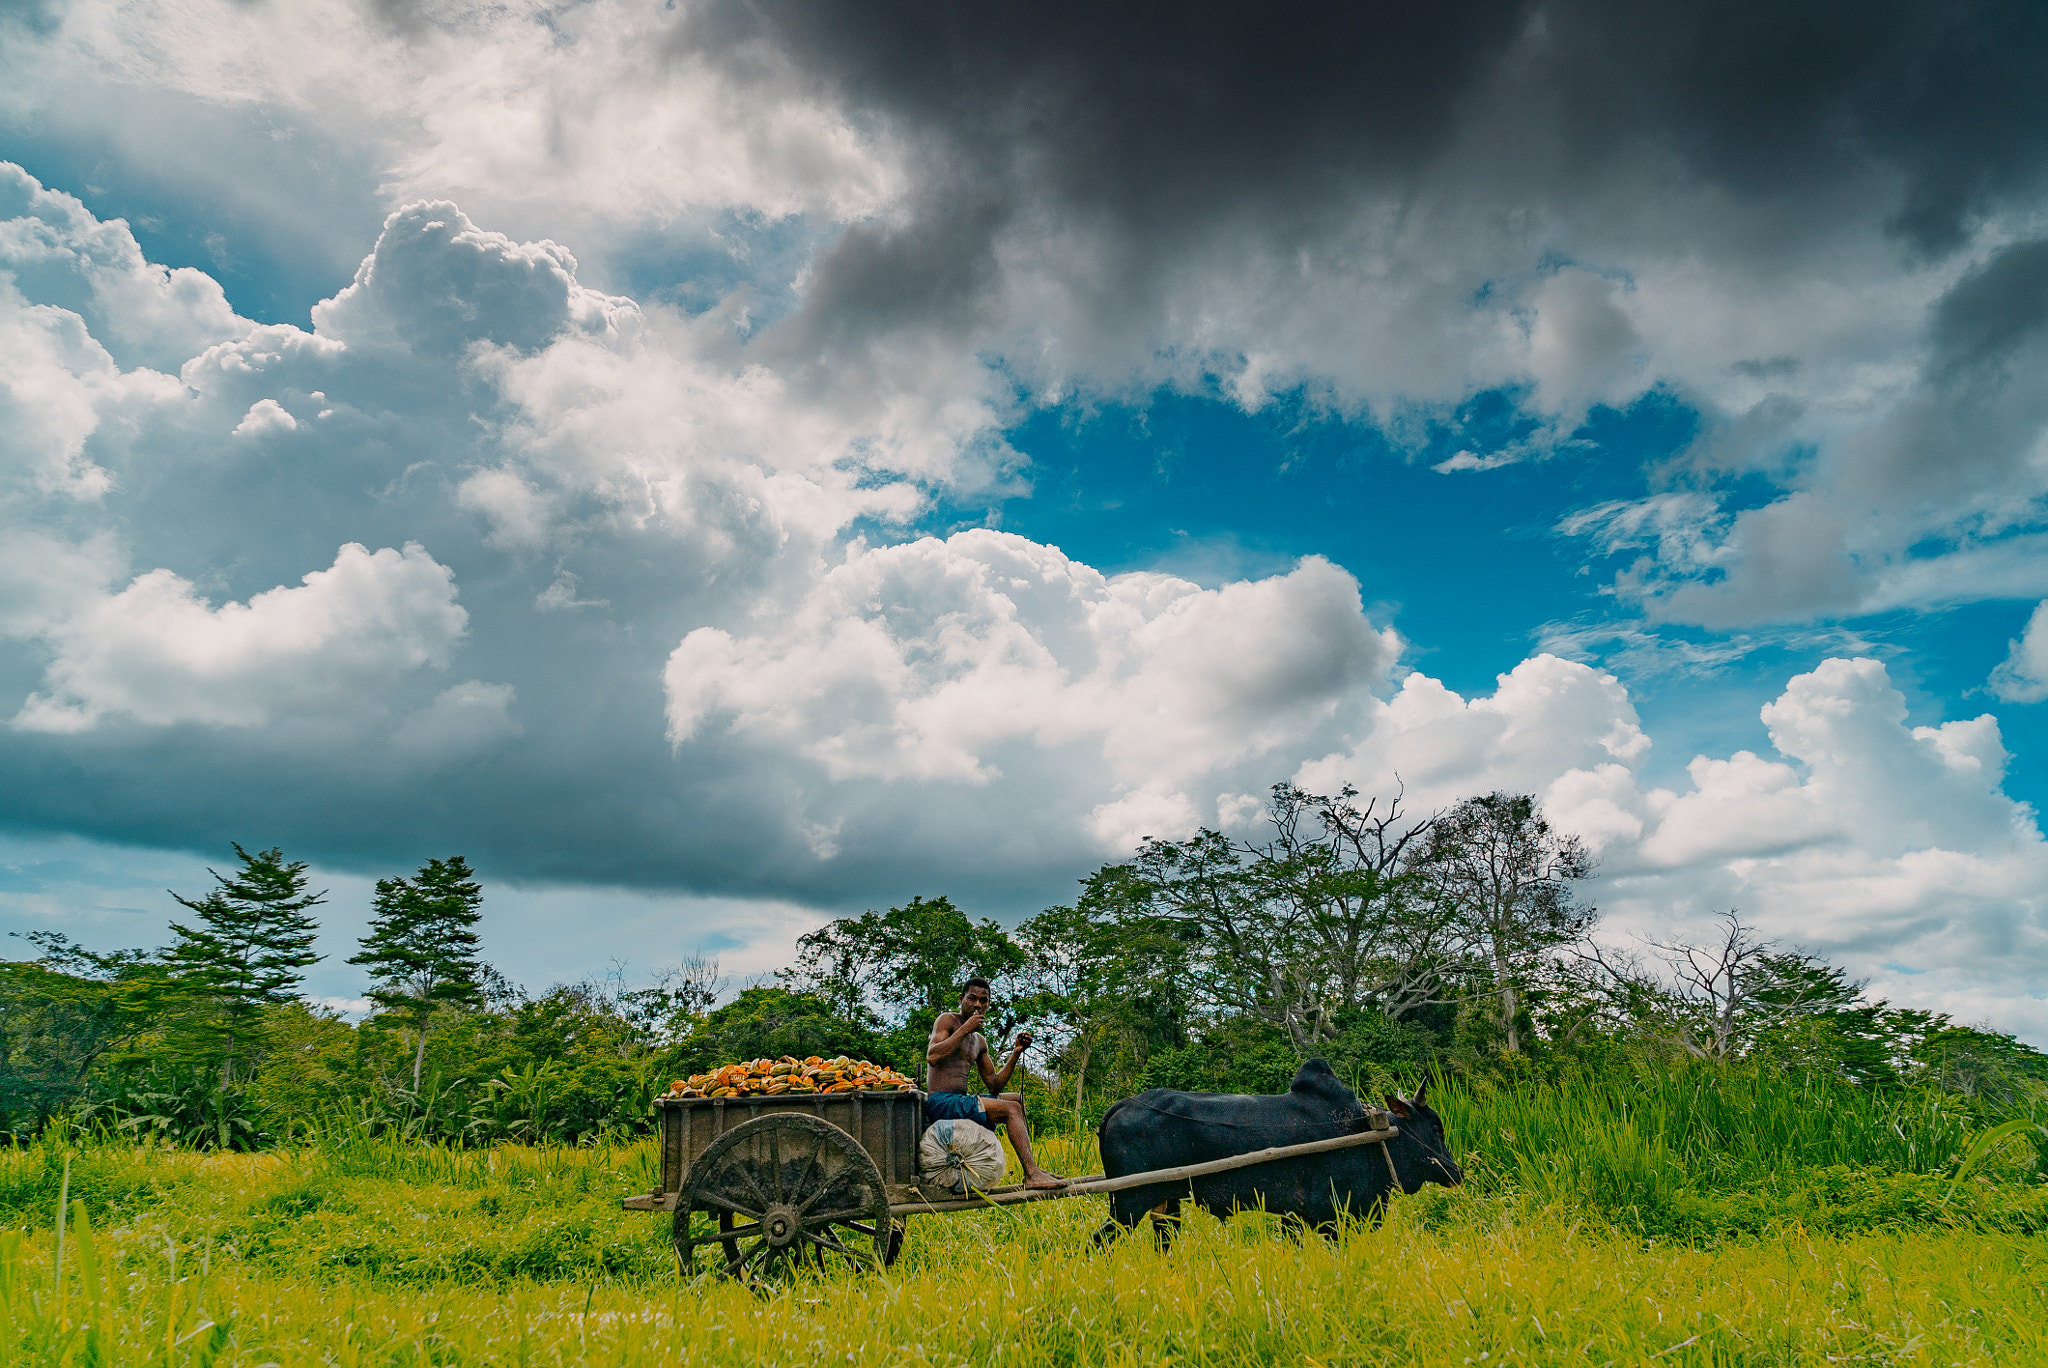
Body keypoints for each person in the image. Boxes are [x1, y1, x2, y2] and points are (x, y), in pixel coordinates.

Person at [925, 977, 1065, 1189]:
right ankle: (1032, 1175)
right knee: (1010, 1109)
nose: (977, 1005)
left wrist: (1016, 1052)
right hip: (941, 1102)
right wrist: (964, 1029)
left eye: (984, 1001)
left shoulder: (979, 1041)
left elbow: (994, 1084)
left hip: (960, 1101)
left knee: (1015, 1100)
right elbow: (933, 1056)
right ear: (961, 999)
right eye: (972, 999)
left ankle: (1033, 1168)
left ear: (988, 1004)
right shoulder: (947, 1021)